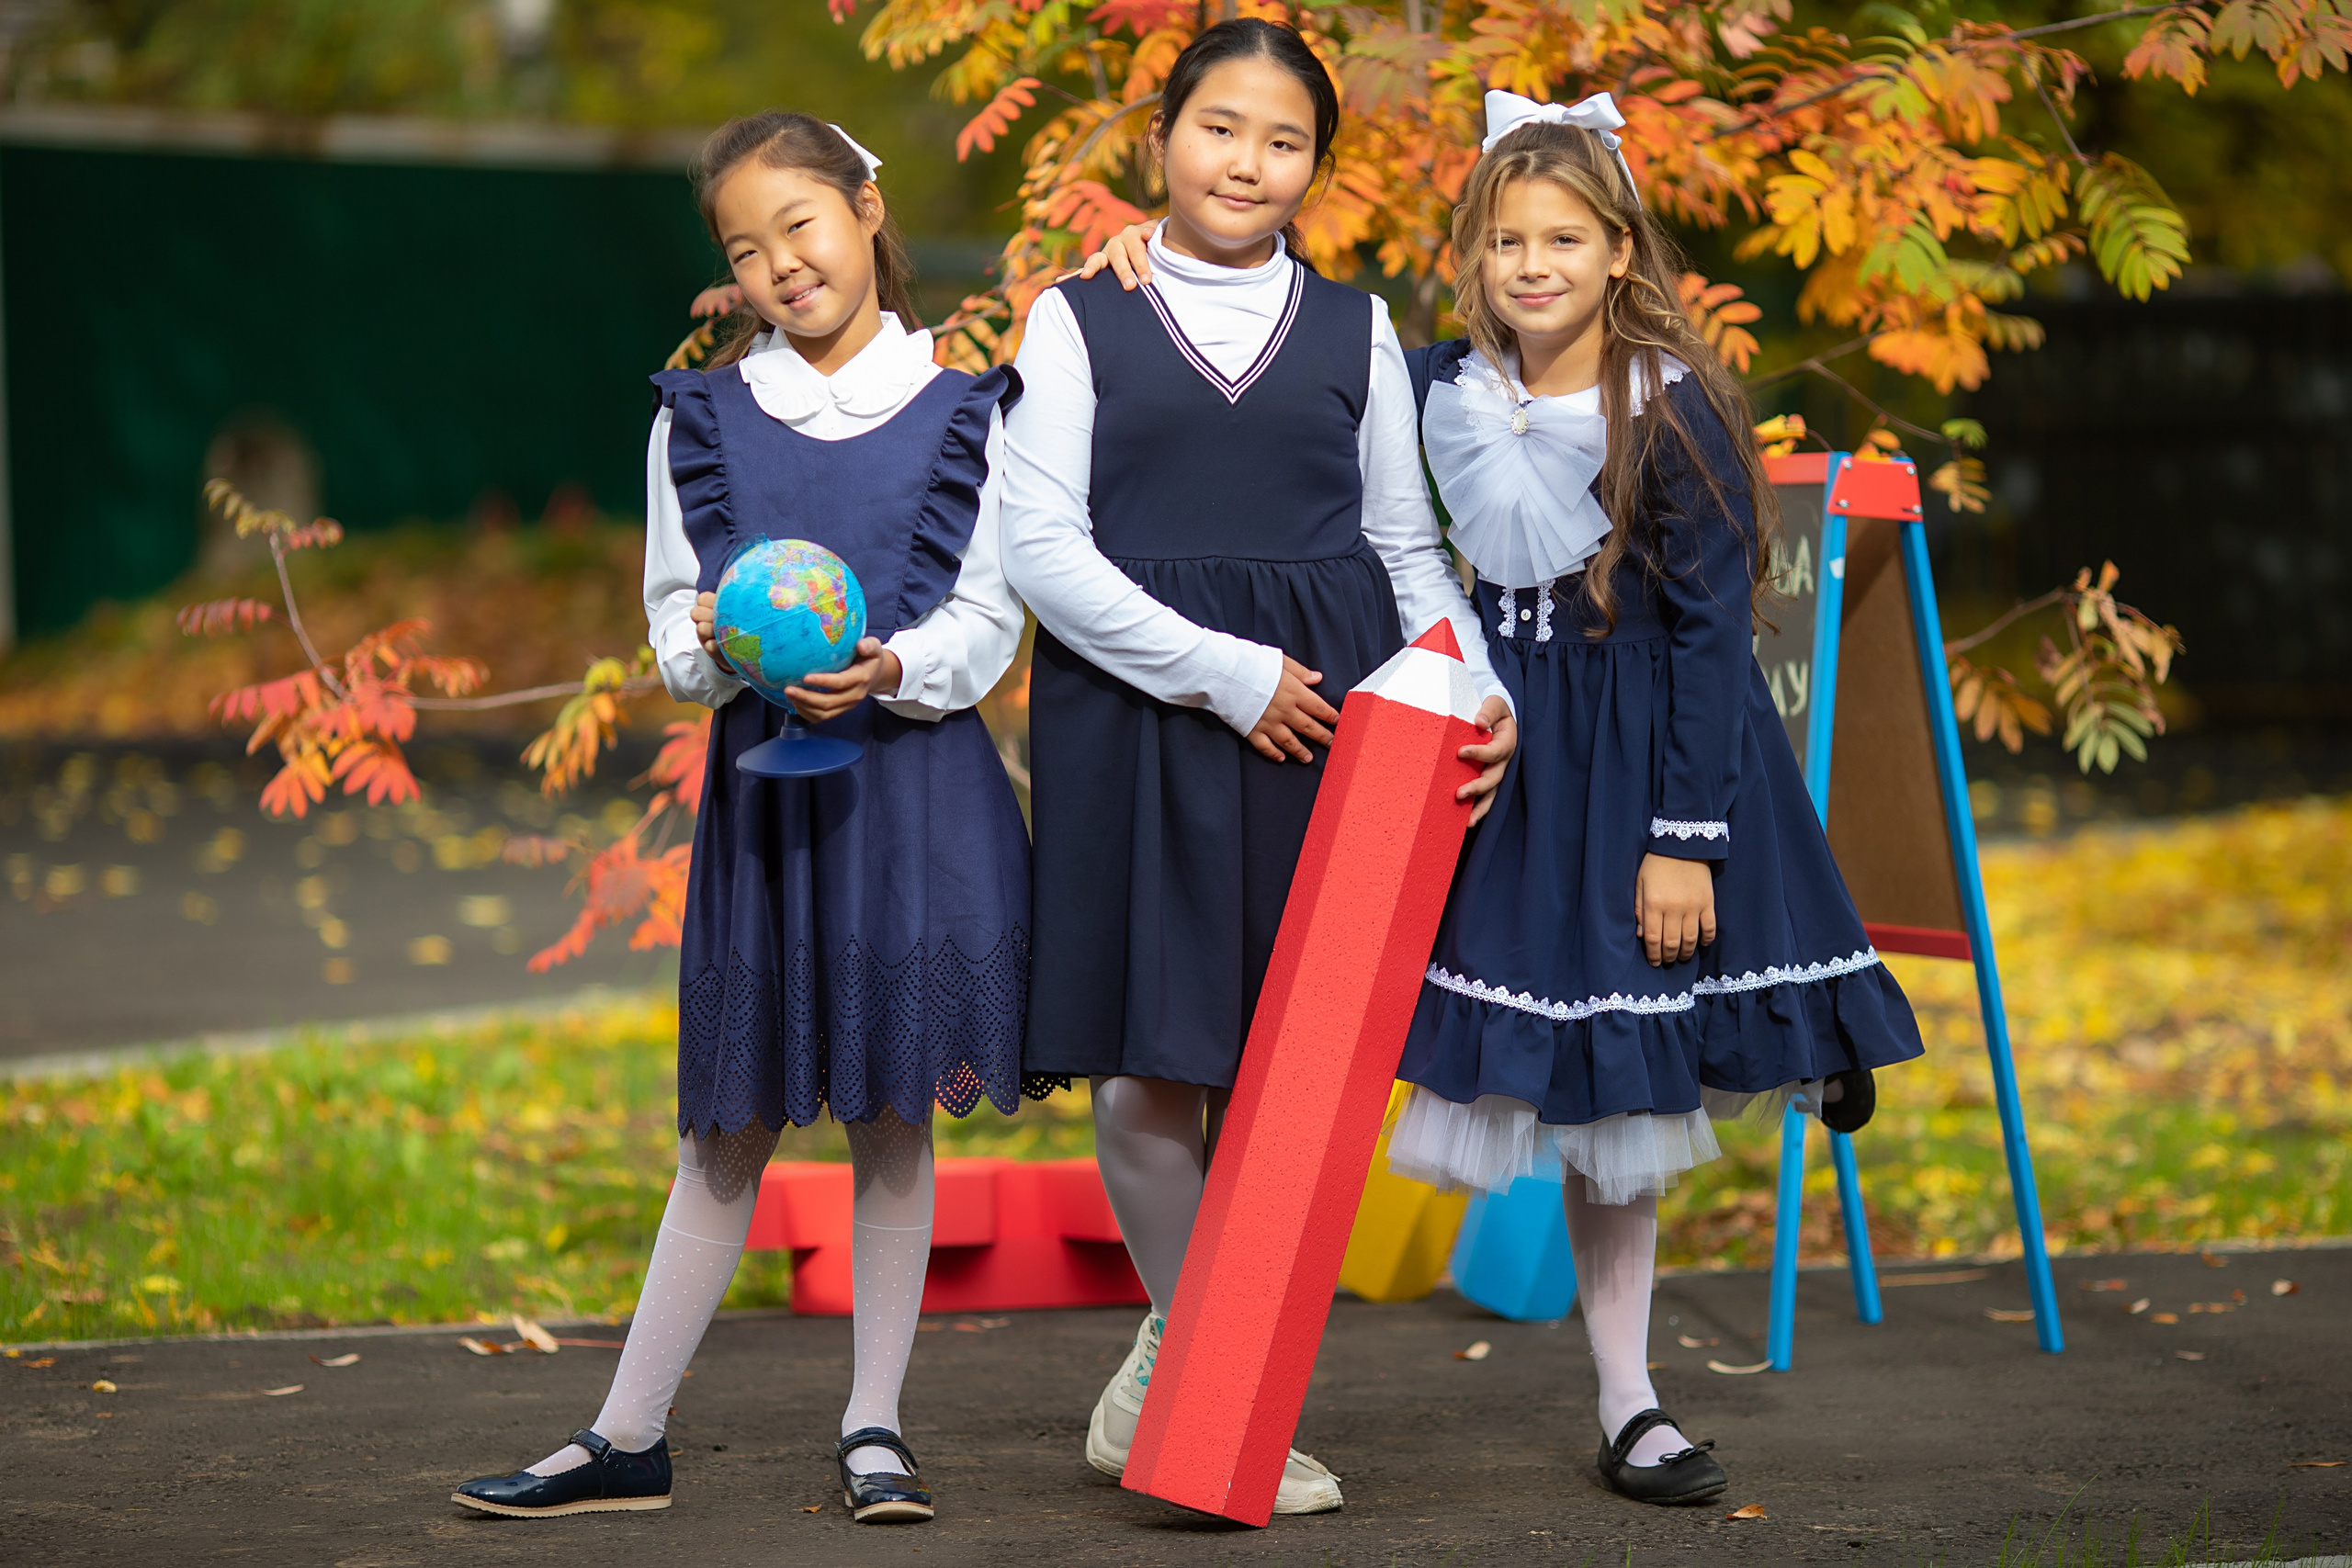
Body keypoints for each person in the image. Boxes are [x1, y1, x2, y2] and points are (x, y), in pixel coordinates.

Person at [451, 111, 1036, 1527]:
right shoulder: (696, 420)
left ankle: (877, 1426)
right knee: (728, 1124)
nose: (782, 265)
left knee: (895, 1118)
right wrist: (718, 644)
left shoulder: (970, 412)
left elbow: (989, 617)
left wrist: (891, 667)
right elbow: (668, 625)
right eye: (744, 248)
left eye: (803, 226)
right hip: (768, 813)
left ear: (868, 211)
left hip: (913, 795)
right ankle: (624, 1433)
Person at [1001, 17, 1517, 1517]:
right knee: (1149, 1077)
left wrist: (1479, 690)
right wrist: (1224, 674)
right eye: (1220, 128)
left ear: (1316, 168)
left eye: (1284, 140)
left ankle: (1195, 1385)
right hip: (1145, 721)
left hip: (1334, 737)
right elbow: (1043, 549)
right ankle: (1216, 1380)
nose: (1248, 162)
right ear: (1164, 138)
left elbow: (1404, 546)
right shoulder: (1071, 318)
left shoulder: (1356, 328)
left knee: (1293, 1079)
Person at [1385, 92, 1926, 1505]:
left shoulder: (1667, 407)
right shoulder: (1431, 381)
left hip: (1639, 769)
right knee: (1572, 1072)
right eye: (1506, 240)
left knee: (1632, 1085)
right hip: (1504, 762)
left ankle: (1632, 1400)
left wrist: (1684, 844)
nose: (1533, 265)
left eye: (1565, 236)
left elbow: (1706, 640)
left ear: (1621, 251)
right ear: (1473, 253)